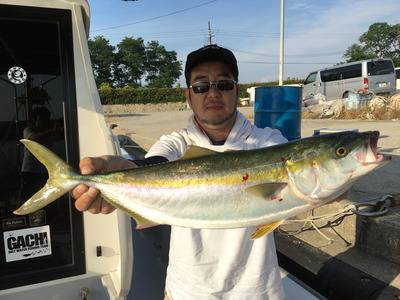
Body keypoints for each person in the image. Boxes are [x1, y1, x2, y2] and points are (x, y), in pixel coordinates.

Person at [72, 44, 288, 299]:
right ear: (189, 95)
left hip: (257, 293)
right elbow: (155, 165)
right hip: (186, 291)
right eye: (201, 86)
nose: (213, 93)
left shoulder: (268, 143)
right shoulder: (176, 143)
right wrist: (124, 173)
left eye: (224, 84)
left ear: (236, 90)